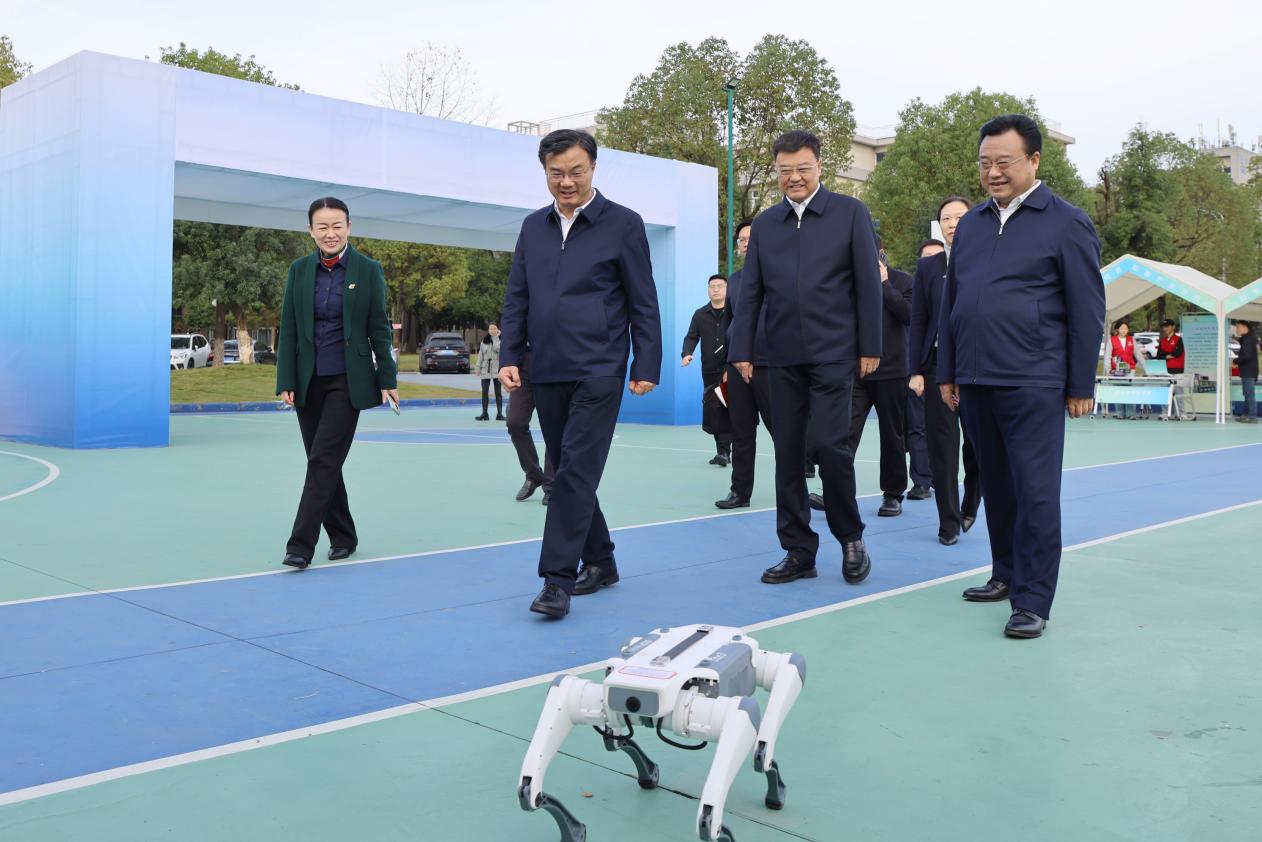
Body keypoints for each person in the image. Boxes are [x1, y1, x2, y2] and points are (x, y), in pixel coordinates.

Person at [938, 114, 1105, 639]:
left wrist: (1080, 383)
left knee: (1035, 492)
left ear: (1033, 160)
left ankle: (1033, 600)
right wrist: (948, 369)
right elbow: (953, 301)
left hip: (1035, 379)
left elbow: (1087, 308)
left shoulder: (1067, 222)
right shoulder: (972, 224)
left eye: (1004, 162)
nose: (993, 172)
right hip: (975, 378)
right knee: (996, 485)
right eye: (985, 162)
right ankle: (1005, 574)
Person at [499, 129, 662, 619]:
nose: (566, 181)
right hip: (546, 367)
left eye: (576, 171)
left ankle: (556, 580)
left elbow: (643, 299)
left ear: (593, 168)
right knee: (571, 472)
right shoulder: (534, 227)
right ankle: (602, 561)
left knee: (569, 474)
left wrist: (646, 363)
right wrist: (510, 354)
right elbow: (518, 296)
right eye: (556, 173)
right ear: (544, 172)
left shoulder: (624, 224)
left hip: (600, 367)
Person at [729, 130, 883, 587]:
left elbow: (867, 284)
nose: (793, 177)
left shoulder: (849, 213)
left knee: (832, 447)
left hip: (834, 352)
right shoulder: (766, 225)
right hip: (779, 356)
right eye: (785, 170)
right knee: (788, 453)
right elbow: (751, 292)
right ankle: (798, 550)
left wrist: (870, 345)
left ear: (819, 166)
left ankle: (850, 537)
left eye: (802, 168)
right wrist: (742, 349)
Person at [276, 197, 399, 570]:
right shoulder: (299, 270)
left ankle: (300, 545)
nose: (330, 233)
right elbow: (289, 327)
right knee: (324, 462)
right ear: (311, 230)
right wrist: (285, 379)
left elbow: (379, 327)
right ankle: (344, 536)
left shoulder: (368, 270)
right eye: (322, 226)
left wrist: (387, 377)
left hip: (348, 381)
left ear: (348, 227)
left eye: (337, 226)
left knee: (323, 460)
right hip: (307, 381)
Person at [909, 197, 982, 545]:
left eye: (959, 217)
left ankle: (972, 500)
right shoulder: (928, 267)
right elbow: (918, 320)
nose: (953, 224)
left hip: (977, 365)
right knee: (943, 446)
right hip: (937, 365)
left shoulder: (988, 258)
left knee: (978, 443)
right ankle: (948, 521)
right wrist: (916, 369)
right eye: (946, 219)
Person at [717, 221, 769, 510]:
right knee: (741, 432)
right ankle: (740, 491)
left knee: (783, 431)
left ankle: (793, 489)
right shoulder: (735, 280)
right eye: (742, 239)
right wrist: (729, 363)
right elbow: (730, 324)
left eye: (751, 237)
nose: (746, 242)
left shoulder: (776, 276)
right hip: (737, 367)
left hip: (768, 365)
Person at [905, 239, 944, 501]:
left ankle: (947, 480)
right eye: (926, 256)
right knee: (918, 426)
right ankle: (922, 480)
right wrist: (915, 370)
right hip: (925, 364)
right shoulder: (915, 283)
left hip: (960, 364)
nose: (931, 260)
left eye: (936, 256)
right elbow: (916, 322)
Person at [682, 274, 732, 466]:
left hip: (730, 369)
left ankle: (725, 451)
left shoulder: (735, 312)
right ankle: (722, 451)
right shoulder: (700, 314)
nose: (716, 289)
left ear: (727, 289)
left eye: (720, 286)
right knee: (714, 410)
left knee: (727, 408)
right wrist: (687, 353)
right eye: (712, 286)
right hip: (709, 370)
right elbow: (691, 337)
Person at [505, 349, 556, 503]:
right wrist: (506, 364)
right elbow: (509, 337)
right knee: (515, 422)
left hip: (553, 364)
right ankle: (533, 474)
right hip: (523, 366)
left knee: (554, 425)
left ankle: (552, 484)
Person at [1109, 320, 1137, 419]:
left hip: (1130, 369)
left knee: (1129, 391)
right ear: (1117, 329)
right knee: (1118, 391)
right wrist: (1109, 370)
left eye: (1126, 328)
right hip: (1116, 370)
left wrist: (1147, 368)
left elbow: (1138, 355)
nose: (1124, 330)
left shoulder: (1131, 340)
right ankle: (1120, 413)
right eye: (1122, 328)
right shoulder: (1112, 340)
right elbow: (1108, 356)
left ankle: (1131, 414)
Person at [475, 322, 503, 421]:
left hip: (497, 368)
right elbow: (480, 355)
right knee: (484, 392)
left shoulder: (500, 340)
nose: (493, 330)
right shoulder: (484, 341)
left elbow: (497, 349)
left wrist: (496, 338)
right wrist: (478, 368)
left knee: (498, 392)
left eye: (494, 328)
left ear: (497, 330)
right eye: (491, 329)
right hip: (485, 368)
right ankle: (484, 414)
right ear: (488, 330)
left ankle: (499, 414)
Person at [1234, 321, 1258, 423]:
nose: (1237, 330)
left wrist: (1236, 361)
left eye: (1238, 327)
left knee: (1249, 394)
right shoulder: (1248, 338)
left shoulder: (1248, 339)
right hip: (1249, 370)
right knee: (1247, 394)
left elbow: (1246, 356)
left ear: (1245, 327)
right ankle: (1246, 414)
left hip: (1249, 371)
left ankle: (1252, 416)